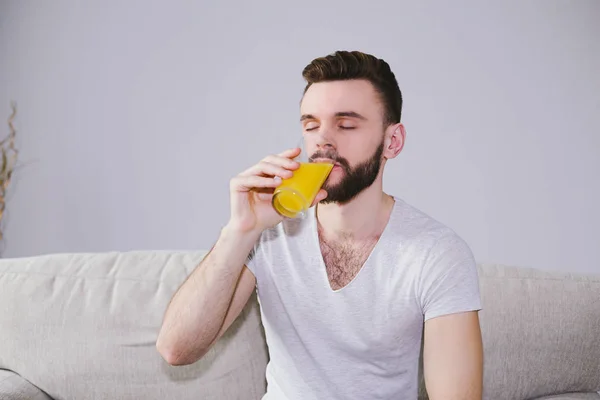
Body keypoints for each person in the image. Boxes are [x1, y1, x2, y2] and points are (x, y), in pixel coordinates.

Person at [157, 50, 484, 400]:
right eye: (311, 125)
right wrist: (240, 230)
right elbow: (176, 350)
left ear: (393, 141)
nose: (322, 140)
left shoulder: (436, 253)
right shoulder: (269, 232)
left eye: (346, 124)